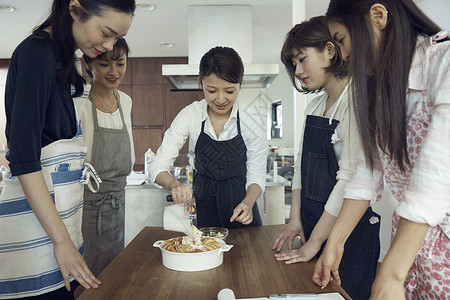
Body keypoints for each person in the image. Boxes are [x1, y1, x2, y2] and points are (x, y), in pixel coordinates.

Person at [312, 0, 450, 299]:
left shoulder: (445, 63)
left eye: (342, 40)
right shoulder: (381, 89)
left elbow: (436, 177)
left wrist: (391, 272)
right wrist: (335, 242)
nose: (344, 55)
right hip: (411, 248)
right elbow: (368, 171)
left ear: (378, 15)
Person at [0, 0, 135, 298]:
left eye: (117, 39)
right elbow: (23, 159)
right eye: (106, 32)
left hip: (60, 233)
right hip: (40, 241)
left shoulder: (64, 61)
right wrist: (62, 242)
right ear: (75, 9)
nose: (109, 45)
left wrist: (67, 241)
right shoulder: (37, 54)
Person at [271, 16, 380, 300]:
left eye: (302, 59)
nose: (298, 70)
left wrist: (318, 241)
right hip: (311, 226)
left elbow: (350, 179)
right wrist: (294, 219)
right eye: (293, 64)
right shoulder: (316, 105)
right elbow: (301, 167)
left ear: (330, 50)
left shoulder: (356, 100)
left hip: (349, 236)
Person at [149, 46, 266, 228]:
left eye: (229, 91)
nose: (220, 99)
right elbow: (157, 166)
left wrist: (249, 203)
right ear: (200, 83)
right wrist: (174, 184)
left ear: (240, 84)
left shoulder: (251, 119)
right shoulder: (190, 115)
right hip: (203, 211)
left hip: (242, 209)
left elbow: (256, 175)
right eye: (211, 91)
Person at [79, 38, 135, 277]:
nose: (114, 72)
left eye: (120, 63)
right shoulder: (80, 101)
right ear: (88, 64)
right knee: (87, 277)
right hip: (86, 207)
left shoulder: (126, 101)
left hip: (117, 204)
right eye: (104, 64)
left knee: (114, 274)